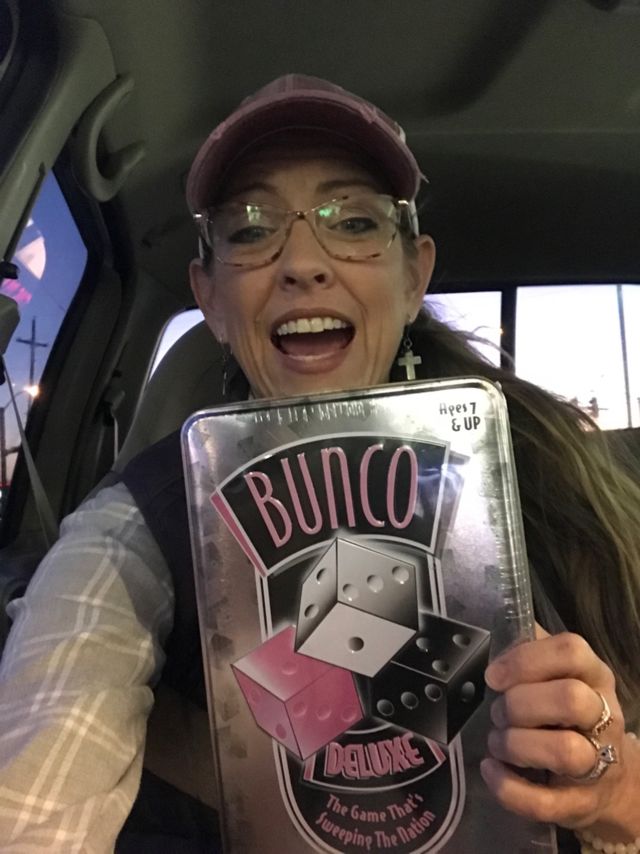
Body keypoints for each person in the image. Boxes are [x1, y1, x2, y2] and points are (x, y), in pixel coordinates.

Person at [0, 74, 639, 854]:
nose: (303, 261)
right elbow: (43, 766)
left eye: (354, 221)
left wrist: (615, 791)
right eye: (250, 230)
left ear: (414, 277)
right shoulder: (140, 519)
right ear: (210, 296)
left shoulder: (553, 480)